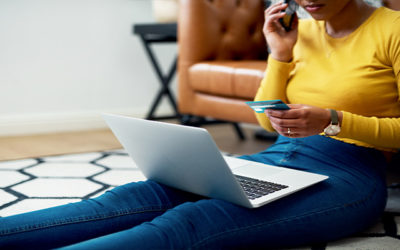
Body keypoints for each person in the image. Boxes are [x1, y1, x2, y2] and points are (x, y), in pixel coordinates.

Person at [1, 0, 399, 249]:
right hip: (276, 158)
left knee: (193, 223)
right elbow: (265, 116)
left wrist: (334, 121)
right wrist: (279, 54)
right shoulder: (299, 29)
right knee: (136, 197)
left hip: (349, 174)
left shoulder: (391, 30)